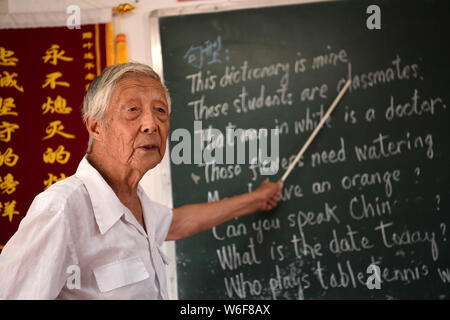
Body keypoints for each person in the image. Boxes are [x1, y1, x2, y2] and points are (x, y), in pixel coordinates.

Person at [0, 62, 282, 299]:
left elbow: (179, 223)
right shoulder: (61, 209)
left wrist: (256, 199)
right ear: (96, 126)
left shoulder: (134, 199)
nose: (151, 124)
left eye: (160, 111)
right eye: (132, 110)